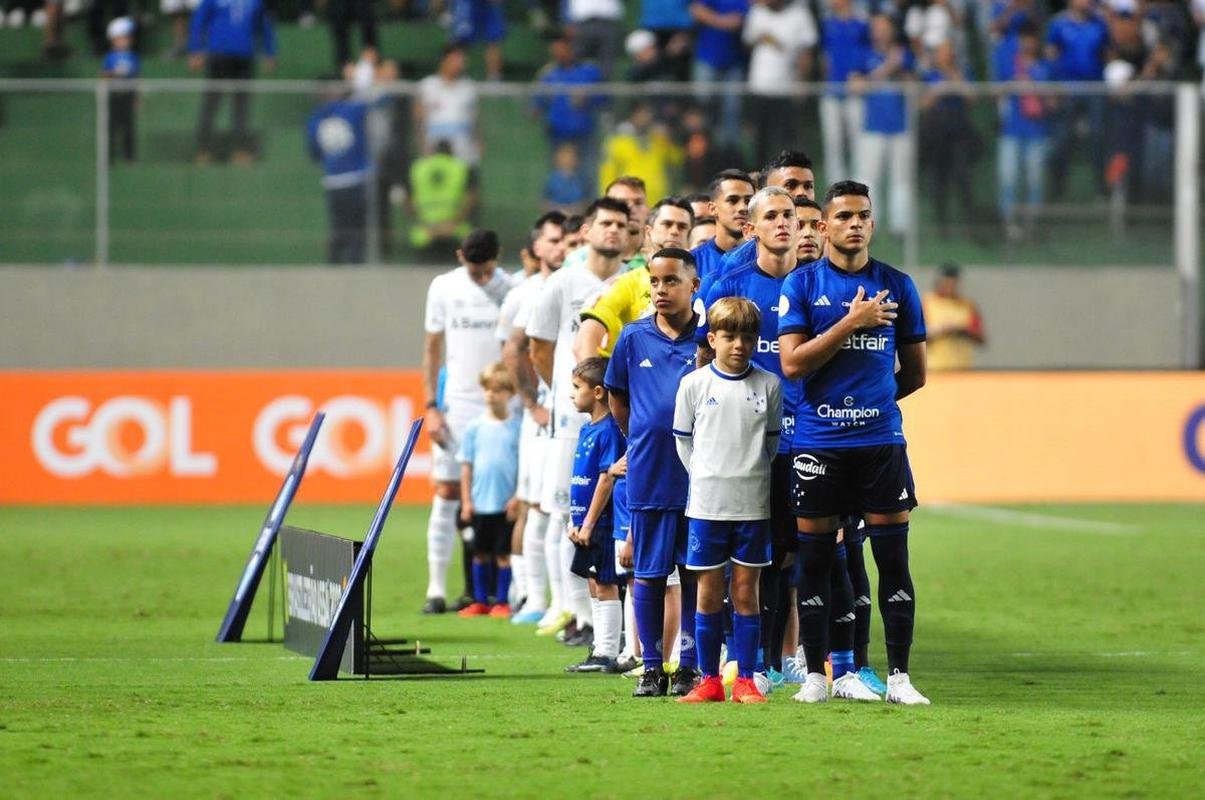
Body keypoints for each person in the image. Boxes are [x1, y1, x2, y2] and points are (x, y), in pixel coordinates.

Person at [777, 180, 929, 705]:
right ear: (823, 227)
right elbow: (792, 364)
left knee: (894, 562)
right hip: (818, 443)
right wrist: (851, 322)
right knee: (815, 561)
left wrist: (872, 406)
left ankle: (900, 678)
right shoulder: (800, 285)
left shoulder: (898, 285)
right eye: (843, 216)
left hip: (879, 442)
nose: (855, 224)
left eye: (863, 215)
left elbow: (914, 375)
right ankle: (818, 675)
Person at [699, 187, 801, 687]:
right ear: (751, 228)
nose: (784, 223)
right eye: (773, 216)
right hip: (746, 451)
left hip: (813, 435)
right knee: (747, 565)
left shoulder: (813, 283)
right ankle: (744, 663)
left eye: (791, 215)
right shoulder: (730, 284)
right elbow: (704, 358)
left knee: (802, 554)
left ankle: (801, 660)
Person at [526, 197, 629, 638]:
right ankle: (577, 614)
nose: (613, 231)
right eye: (605, 223)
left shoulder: (634, 280)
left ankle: (599, 617)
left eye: (620, 225)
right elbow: (539, 345)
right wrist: (562, 389)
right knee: (566, 511)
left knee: (615, 514)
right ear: (586, 230)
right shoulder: (563, 282)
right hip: (572, 421)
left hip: (619, 414)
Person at [674, 296, 783, 705]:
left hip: (753, 505)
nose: (739, 345)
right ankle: (709, 680)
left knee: (744, 591)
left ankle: (746, 680)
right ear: (713, 338)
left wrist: (746, 474)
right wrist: (708, 476)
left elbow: (770, 444)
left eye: (748, 337)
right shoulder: (694, 385)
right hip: (706, 505)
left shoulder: (769, 385)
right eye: (730, 336)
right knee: (707, 592)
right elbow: (684, 444)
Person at [605, 248, 703, 698]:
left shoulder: (707, 339)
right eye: (655, 282)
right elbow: (617, 400)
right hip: (649, 472)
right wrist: (642, 435)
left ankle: (689, 664)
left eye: (670, 281)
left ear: (693, 286)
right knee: (648, 573)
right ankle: (650, 667)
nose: (660, 290)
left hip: (700, 475)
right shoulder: (632, 337)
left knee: (696, 573)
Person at [422, 230, 516, 614]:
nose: (480, 278)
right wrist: (431, 404)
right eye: (474, 270)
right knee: (448, 492)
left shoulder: (514, 288)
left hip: (504, 402)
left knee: (512, 498)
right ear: (460, 256)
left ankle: (510, 594)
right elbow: (431, 348)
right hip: (458, 403)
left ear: (499, 257)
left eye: (486, 270)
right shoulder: (443, 287)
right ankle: (436, 589)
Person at [499, 212, 567, 623]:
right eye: (553, 240)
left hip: (568, 412)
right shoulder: (525, 294)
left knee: (553, 506)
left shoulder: (575, 283)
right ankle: (529, 594)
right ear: (537, 247)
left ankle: (539, 597)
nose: (560, 247)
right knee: (532, 504)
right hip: (541, 416)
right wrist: (534, 402)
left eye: (565, 240)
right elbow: (511, 351)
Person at [565, 357, 628, 672]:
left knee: (605, 583)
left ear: (600, 391)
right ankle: (599, 647)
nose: (572, 394)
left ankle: (607, 651)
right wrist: (572, 520)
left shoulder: (609, 431)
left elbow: (606, 479)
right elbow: (581, 479)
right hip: (584, 522)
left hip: (601, 522)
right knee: (593, 581)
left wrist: (589, 523)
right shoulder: (586, 429)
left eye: (577, 388)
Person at [575, 196, 694, 360]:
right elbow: (585, 341)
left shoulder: (702, 283)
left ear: (690, 235)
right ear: (648, 232)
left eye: (682, 227)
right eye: (667, 224)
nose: (674, 231)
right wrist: (590, 383)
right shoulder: (626, 283)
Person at [456, 363, 522, 617]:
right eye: (487, 389)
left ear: (509, 393)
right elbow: (466, 467)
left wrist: (517, 496)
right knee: (479, 554)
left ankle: (502, 600)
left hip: (505, 504)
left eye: (497, 390)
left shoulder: (516, 427)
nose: (491, 395)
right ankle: (480, 600)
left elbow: (522, 466)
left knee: (503, 555)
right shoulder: (474, 428)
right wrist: (466, 501)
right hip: (480, 502)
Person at [188, 0, 277, 164]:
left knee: (241, 106)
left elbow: (264, 24)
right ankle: (203, 151)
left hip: (244, 57)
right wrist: (195, 50)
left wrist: (270, 51)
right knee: (211, 103)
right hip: (218, 56)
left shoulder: (255, 2)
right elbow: (199, 20)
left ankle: (240, 151)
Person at [712, 149, 817, 288]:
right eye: (790, 185)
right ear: (763, 192)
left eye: (808, 186)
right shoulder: (736, 263)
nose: (802, 193)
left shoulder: (830, 243)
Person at [851, 13, 916, 238]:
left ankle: (900, 227)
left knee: (901, 178)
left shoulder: (904, 55)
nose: (878, 30)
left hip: (900, 126)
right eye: (875, 26)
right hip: (872, 126)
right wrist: (887, 68)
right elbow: (856, 86)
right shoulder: (864, 54)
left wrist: (900, 70)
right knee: (868, 177)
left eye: (883, 26)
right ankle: (869, 222)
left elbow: (914, 85)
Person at [1044, 0, 1109, 199]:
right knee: (1062, 139)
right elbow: (1051, 55)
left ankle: (1102, 188)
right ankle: (1057, 187)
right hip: (1067, 88)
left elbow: (1108, 52)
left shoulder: (1099, 23)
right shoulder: (1058, 24)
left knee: (1099, 136)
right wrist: (1052, 87)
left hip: (1094, 88)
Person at [743, 0, 817, 168]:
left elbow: (806, 52)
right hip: (759, 87)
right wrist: (759, 38)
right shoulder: (757, 12)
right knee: (760, 140)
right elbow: (746, 43)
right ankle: (759, 181)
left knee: (788, 141)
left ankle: (788, 180)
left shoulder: (800, 13)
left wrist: (801, 83)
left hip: (786, 89)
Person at [998, 23, 1054, 242]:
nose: (1028, 43)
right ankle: (1009, 224)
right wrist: (1014, 83)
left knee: (1034, 180)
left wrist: (1034, 88)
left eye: (1031, 38)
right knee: (1008, 179)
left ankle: (1030, 225)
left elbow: (1053, 102)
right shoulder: (1009, 64)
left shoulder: (1045, 67)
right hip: (1011, 131)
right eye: (1024, 38)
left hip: (1037, 132)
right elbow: (996, 92)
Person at [306, 88, 372, 265]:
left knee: (338, 225)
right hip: (355, 177)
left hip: (332, 180)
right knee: (357, 225)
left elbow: (313, 153)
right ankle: (354, 262)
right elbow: (375, 100)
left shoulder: (315, 119)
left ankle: (334, 263)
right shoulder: (352, 110)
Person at [533, 35, 605, 174]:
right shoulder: (549, 74)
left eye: (562, 49)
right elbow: (537, 104)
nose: (558, 53)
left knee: (587, 172)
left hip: (584, 133)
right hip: (557, 134)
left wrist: (587, 97)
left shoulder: (589, 71)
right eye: (555, 50)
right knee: (558, 173)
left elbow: (604, 98)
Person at [818, 0, 871, 183]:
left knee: (858, 143)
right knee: (833, 144)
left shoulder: (862, 23)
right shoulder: (827, 23)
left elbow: (868, 53)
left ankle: (858, 185)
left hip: (854, 91)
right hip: (832, 90)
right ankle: (836, 187)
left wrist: (862, 75)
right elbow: (825, 55)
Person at [598, 102, 683, 206]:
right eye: (643, 113)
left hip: (657, 198)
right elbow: (608, 171)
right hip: (629, 199)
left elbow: (677, 159)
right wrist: (608, 198)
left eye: (649, 114)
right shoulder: (619, 140)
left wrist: (668, 140)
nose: (647, 117)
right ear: (634, 115)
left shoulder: (658, 139)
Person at [690, 0, 749, 149]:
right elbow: (696, 10)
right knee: (703, 105)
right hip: (707, 59)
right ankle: (703, 147)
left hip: (734, 62)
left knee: (732, 110)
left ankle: (728, 152)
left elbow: (745, 17)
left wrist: (726, 21)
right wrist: (722, 21)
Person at [416, 45, 481, 172]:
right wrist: (423, 146)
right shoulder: (427, 86)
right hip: (435, 151)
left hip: (464, 153)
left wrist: (478, 142)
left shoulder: (469, 88)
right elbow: (418, 120)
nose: (460, 64)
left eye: (462, 60)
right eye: (456, 59)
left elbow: (475, 119)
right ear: (444, 60)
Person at [407, 141, 477, 256]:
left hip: (425, 231)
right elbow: (471, 197)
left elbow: (408, 200)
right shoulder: (461, 167)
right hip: (455, 229)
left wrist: (425, 225)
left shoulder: (418, 168)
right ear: (452, 151)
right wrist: (453, 223)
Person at [692, 169, 754, 285]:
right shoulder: (692, 262)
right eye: (732, 200)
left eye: (748, 201)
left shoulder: (767, 259)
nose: (743, 207)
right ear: (712, 208)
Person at [921, 263, 985, 371]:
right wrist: (939, 330)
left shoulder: (967, 305)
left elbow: (980, 337)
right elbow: (914, 337)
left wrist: (963, 330)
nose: (950, 287)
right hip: (934, 368)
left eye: (953, 283)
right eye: (946, 282)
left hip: (962, 367)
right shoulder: (927, 302)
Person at [101, 16, 139, 164]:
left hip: (127, 96)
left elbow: (136, 77)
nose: (125, 41)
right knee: (111, 128)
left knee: (129, 128)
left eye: (127, 38)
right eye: (122, 38)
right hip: (114, 96)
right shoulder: (110, 57)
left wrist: (136, 98)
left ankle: (130, 158)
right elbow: (104, 76)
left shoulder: (133, 57)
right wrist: (114, 73)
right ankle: (108, 158)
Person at [448, 0, 506, 80]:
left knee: (494, 39)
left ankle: (494, 77)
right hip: (467, 3)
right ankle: (459, 75)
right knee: (461, 39)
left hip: (490, 6)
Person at [544, 143, 590, 213]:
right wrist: (558, 209)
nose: (567, 160)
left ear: (577, 159)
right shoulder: (551, 180)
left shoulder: (583, 180)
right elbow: (544, 203)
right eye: (564, 156)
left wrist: (573, 209)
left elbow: (587, 202)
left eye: (571, 156)